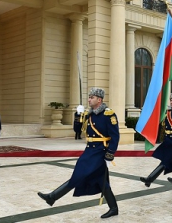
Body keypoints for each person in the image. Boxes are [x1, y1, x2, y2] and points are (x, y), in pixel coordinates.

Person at [38, 87, 120, 219]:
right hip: (90, 150)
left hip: (100, 152)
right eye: (89, 97)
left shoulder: (108, 114)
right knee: (101, 181)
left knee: (79, 174)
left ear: (99, 100)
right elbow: (79, 129)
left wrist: (110, 154)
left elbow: (115, 136)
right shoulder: (90, 113)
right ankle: (114, 208)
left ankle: (53, 196)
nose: (89, 99)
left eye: (91, 97)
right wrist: (78, 115)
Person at [140, 92, 172, 195]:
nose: (171, 102)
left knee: (166, 162)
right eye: (171, 100)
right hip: (168, 142)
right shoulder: (169, 112)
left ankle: (150, 179)